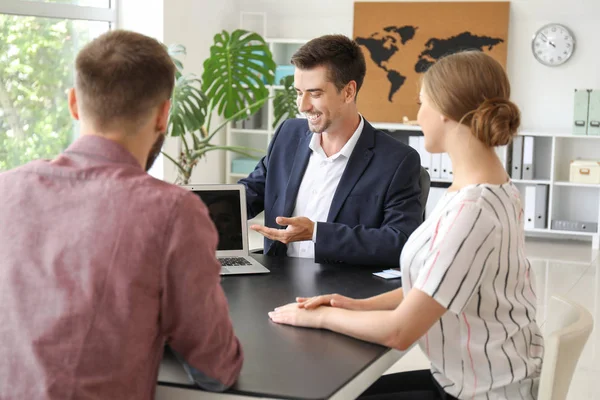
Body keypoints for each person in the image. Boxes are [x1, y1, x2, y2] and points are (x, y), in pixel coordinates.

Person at [268, 51, 544, 399]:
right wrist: (351, 305)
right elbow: (436, 283)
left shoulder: (472, 210)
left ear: (446, 112)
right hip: (474, 377)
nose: (417, 117)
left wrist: (317, 318)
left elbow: (399, 332)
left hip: (480, 392)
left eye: (421, 103)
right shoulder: (491, 188)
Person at [0, 30, 243, 399]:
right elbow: (216, 368)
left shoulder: (6, 188)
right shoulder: (173, 211)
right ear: (164, 115)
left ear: (74, 104)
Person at [239, 34, 422, 267]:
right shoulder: (288, 135)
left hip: (342, 290)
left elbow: (400, 242)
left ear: (348, 92)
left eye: (315, 94)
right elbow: (250, 193)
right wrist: (192, 208)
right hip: (276, 281)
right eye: (298, 92)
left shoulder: (397, 161)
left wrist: (316, 232)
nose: (303, 106)